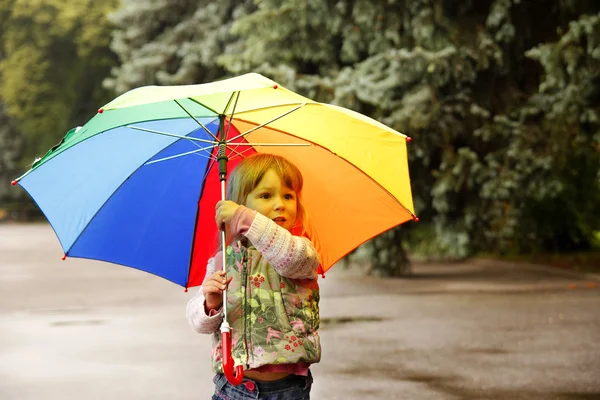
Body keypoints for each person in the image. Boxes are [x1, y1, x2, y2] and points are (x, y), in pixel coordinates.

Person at [186, 154, 321, 399]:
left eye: (288, 196)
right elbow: (197, 321)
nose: (280, 204)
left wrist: (245, 219)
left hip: (286, 389)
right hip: (232, 387)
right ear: (240, 202)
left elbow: (287, 257)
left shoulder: (301, 251)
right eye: (266, 196)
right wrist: (211, 303)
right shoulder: (223, 259)